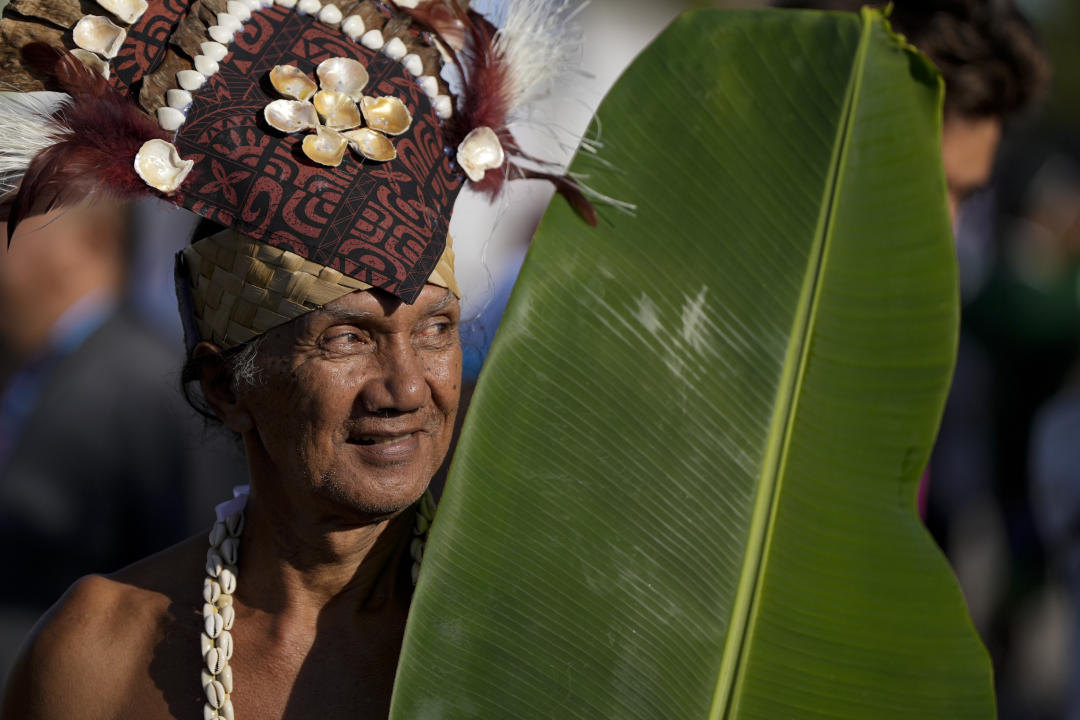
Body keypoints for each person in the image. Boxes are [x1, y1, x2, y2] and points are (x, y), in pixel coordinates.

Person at [0, 0, 590, 717]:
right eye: (347, 339)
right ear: (225, 386)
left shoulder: (544, 646)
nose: (406, 386)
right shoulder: (95, 657)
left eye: (436, 330)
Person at [0, 196, 245, 683]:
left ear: (87, 242)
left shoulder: (142, 383)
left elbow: (204, 566)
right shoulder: (45, 370)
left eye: (7, 218)